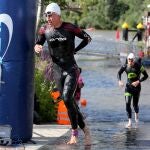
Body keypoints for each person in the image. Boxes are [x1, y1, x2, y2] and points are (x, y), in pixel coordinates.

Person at [34, 2, 92, 145]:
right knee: (70, 102)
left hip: (71, 68)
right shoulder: (44, 29)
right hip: (57, 71)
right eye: (46, 16)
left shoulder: (70, 27)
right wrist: (37, 46)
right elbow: (38, 42)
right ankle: (86, 129)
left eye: (50, 15)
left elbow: (87, 38)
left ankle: (74, 133)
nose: (48, 18)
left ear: (58, 15)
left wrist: (76, 49)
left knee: (66, 98)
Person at [117, 53, 148, 128]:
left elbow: (146, 76)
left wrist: (138, 81)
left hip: (137, 88)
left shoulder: (139, 66)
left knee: (135, 105)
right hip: (128, 87)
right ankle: (130, 122)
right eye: (129, 60)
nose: (130, 62)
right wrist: (119, 81)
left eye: (131, 60)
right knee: (127, 103)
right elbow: (119, 73)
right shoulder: (125, 66)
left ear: (134, 60)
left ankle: (136, 115)